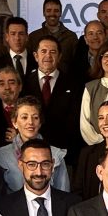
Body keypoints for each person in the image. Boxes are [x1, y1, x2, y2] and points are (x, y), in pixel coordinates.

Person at [23, 34, 83, 165]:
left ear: (60, 56)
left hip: (64, 153)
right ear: (36, 56)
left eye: (53, 52)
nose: (48, 56)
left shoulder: (73, 83)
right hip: (31, 152)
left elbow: (75, 121)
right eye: (43, 51)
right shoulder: (24, 82)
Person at [0, 96, 70, 192]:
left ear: (40, 123)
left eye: (35, 117)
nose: (30, 122)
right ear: (14, 122)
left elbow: (64, 194)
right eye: (24, 117)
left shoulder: (56, 155)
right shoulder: (0, 156)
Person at [27, 0, 77, 74]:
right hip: (40, 80)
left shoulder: (71, 37)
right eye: (49, 10)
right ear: (43, 13)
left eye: (56, 11)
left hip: (64, 80)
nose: (52, 14)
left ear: (60, 13)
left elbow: (75, 65)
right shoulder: (33, 37)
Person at [0, 16, 36, 82]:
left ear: (27, 37)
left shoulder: (36, 61)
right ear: (7, 37)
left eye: (21, 34)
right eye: (13, 34)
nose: (17, 38)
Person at [70, 20, 108, 84]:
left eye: (99, 33)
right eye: (91, 33)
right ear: (85, 39)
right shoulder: (76, 63)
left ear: (105, 37)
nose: (95, 37)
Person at [0, 66, 23, 142]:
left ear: (20, 87)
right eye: (2, 84)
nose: (7, 87)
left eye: (11, 83)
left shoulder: (31, 110)